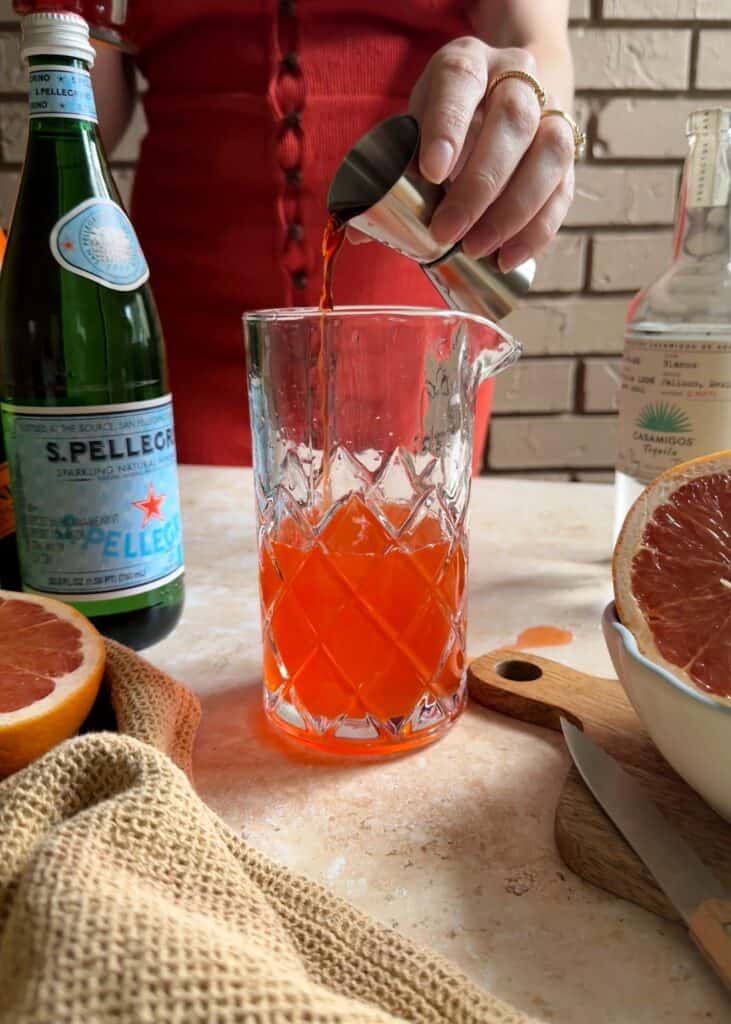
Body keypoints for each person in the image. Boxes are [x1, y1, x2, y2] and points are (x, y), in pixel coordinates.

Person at [93, 1, 577, 469]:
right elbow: (93, 120)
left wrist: (526, 101)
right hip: (186, 325)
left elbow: (534, 39)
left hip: (409, 328)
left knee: (403, 528)